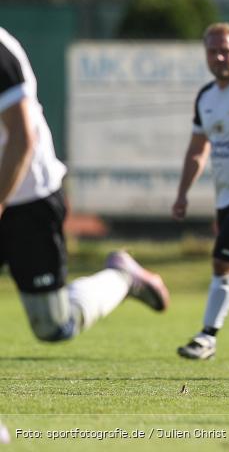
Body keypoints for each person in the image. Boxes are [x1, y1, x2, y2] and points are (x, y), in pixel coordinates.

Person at [0, 27, 169, 343]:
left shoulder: (0, 52)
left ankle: (122, 277)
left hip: (27, 198)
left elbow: (22, 137)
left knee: (52, 325)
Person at [173, 23, 229, 362]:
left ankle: (207, 337)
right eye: (212, 50)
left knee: (222, 260)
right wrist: (182, 193)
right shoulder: (205, 96)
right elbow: (198, 149)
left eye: (225, 49)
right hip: (226, 196)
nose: (219, 56)